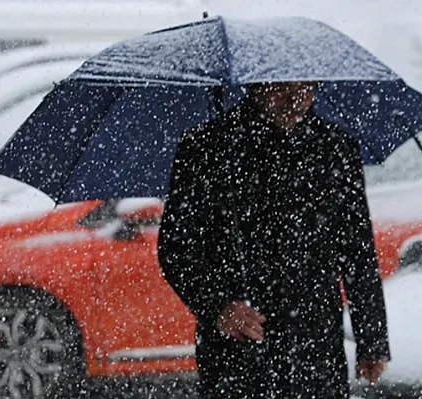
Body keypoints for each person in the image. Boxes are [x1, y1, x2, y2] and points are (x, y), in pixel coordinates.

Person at [158, 81, 391, 399]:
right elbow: (176, 248)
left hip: (315, 341)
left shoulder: (335, 147)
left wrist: (372, 339)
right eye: (281, 88)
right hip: (239, 347)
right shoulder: (207, 148)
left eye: (307, 87)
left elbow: (357, 251)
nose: (295, 100)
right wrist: (217, 306)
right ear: (254, 85)